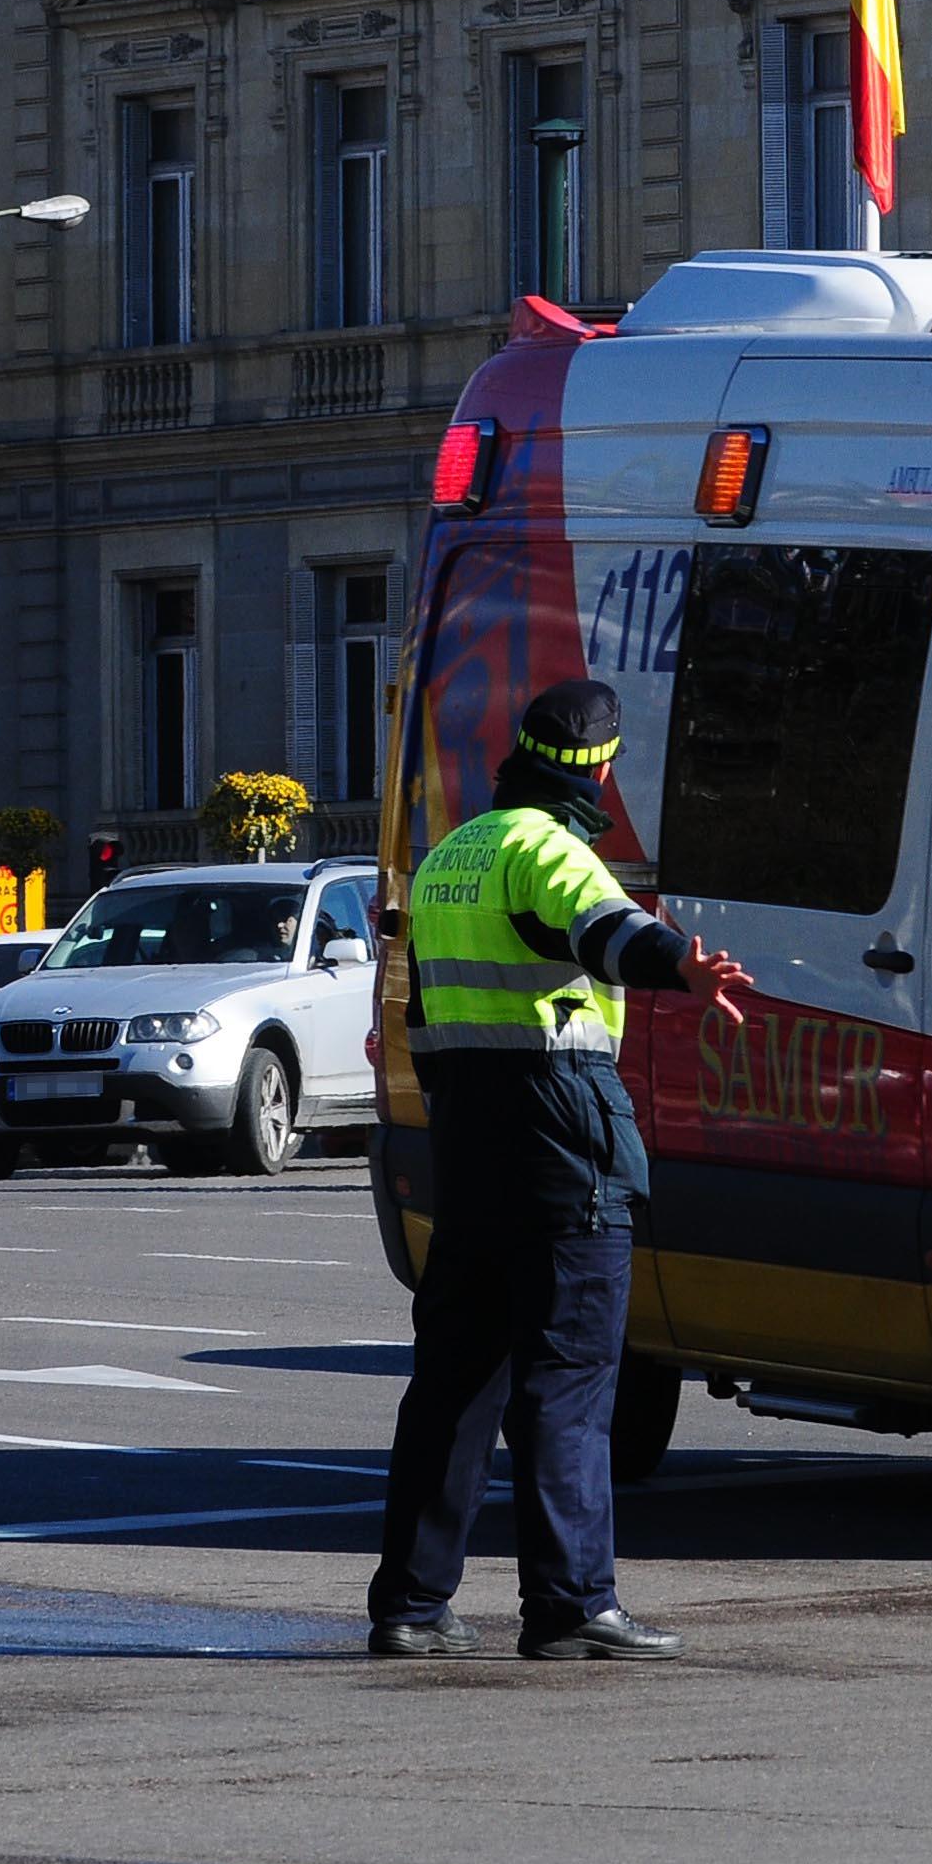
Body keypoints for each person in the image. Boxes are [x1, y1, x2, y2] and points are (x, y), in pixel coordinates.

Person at [372, 678, 752, 1664]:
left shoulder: (454, 852)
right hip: (558, 1133)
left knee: (454, 1382)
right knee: (571, 1379)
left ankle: (412, 1603)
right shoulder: (550, 849)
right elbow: (607, 932)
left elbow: (421, 1013)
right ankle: (573, 1599)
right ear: (597, 770)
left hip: (469, 1142)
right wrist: (686, 967)